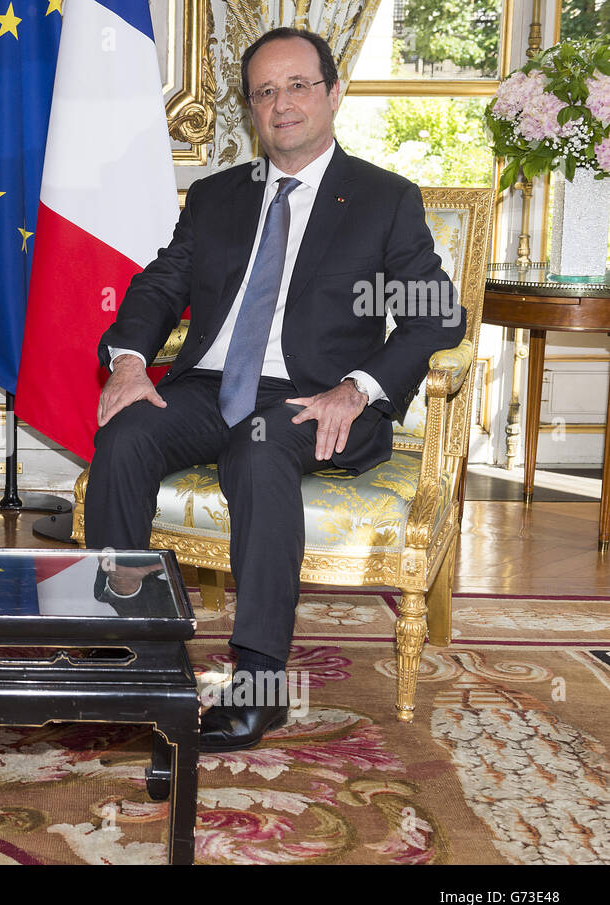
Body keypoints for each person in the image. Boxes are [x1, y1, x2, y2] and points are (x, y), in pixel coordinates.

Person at [85, 27, 465, 752]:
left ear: (333, 93)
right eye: (265, 91)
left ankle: (259, 681)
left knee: (258, 454)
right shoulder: (218, 195)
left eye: (298, 86)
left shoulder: (385, 199)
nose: (282, 103)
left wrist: (360, 388)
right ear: (251, 110)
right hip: (209, 385)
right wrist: (131, 359)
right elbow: (161, 283)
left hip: (316, 397)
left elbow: (435, 314)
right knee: (125, 433)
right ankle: (124, 652)